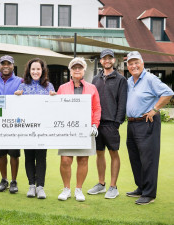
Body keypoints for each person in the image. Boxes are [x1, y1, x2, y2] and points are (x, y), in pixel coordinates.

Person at [125, 51, 174, 205]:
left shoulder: (150, 79)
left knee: (148, 159)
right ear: (127, 66)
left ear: (142, 64)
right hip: (132, 123)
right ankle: (141, 187)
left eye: (136, 62)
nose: (134, 66)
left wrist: (155, 109)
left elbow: (168, 93)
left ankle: (149, 193)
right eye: (131, 63)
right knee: (135, 157)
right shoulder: (129, 81)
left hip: (147, 122)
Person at [57, 57, 101, 202]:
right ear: (70, 70)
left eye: (80, 68)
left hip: (85, 130)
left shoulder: (91, 88)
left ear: (83, 70)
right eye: (74, 67)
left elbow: (96, 108)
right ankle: (66, 189)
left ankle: (78, 190)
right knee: (65, 160)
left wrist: (95, 124)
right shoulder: (62, 88)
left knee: (83, 160)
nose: (77, 70)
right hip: (67, 130)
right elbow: (56, 108)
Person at [88, 49, 127, 199]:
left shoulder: (120, 79)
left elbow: (122, 103)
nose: (107, 61)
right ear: (101, 60)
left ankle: (113, 187)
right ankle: (101, 184)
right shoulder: (95, 79)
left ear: (113, 61)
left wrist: (117, 123)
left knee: (113, 153)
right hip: (97, 123)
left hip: (111, 123)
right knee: (99, 153)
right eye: (105, 58)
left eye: (110, 58)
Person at [14, 58, 55, 199]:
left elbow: (54, 108)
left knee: (41, 157)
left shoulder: (49, 87)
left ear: (43, 70)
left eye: (38, 69)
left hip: (43, 129)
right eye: (33, 69)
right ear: (29, 70)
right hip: (27, 128)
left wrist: (54, 99)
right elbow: (17, 108)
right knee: (29, 156)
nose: (35, 72)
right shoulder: (23, 86)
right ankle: (31, 185)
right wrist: (17, 97)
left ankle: (40, 187)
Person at [0, 55, 22, 193]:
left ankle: (14, 181)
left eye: (9, 64)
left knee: (14, 154)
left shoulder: (20, 81)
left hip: (14, 120)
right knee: (1, 153)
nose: (6, 66)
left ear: (13, 66)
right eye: (3, 63)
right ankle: (4, 179)